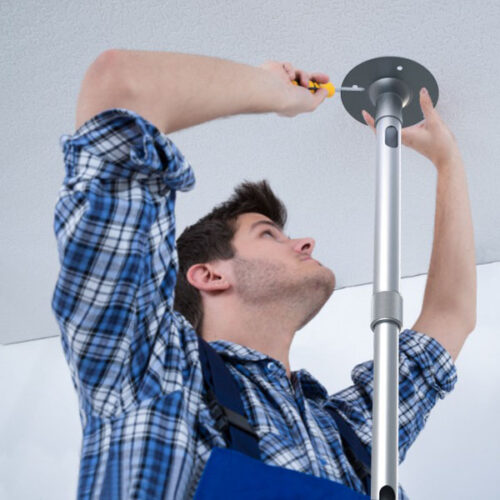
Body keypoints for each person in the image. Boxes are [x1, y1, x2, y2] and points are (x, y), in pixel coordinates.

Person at [52, 50, 475, 499]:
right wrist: (271, 92)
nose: (306, 243)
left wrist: (447, 162)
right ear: (209, 275)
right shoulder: (152, 367)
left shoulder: (347, 437)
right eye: (269, 234)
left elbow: (450, 317)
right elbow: (117, 86)